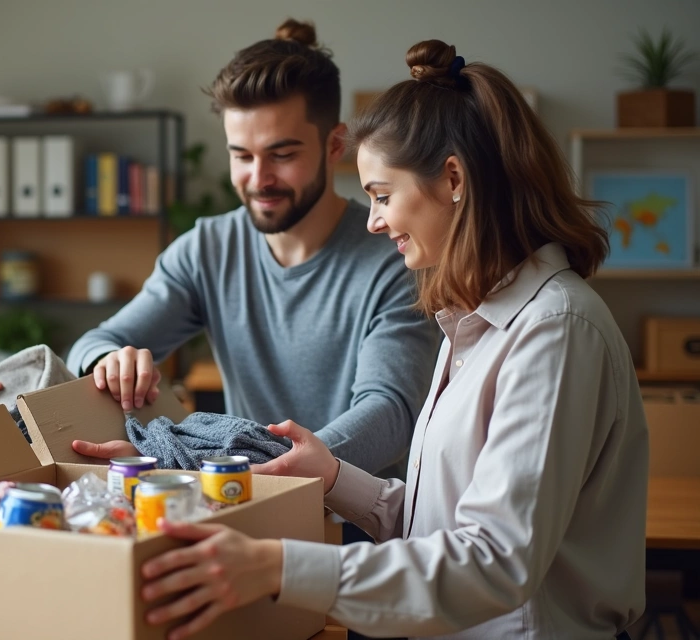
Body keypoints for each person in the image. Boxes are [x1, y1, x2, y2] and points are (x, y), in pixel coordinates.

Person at [134, 41, 649, 640]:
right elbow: (438, 524)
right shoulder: (472, 325)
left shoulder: (554, 333)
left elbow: (494, 561)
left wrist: (276, 566)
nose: (374, 220)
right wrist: (332, 478)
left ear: (452, 178)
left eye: (382, 195)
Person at [67, 19, 441, 478]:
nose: (258, 179)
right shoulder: (206, 250)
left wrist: (256, 465)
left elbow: (390, 415)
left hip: (357, 522)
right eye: (242, 156)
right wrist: (110, 362)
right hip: (242, 499)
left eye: (282, 155)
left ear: (334, 145)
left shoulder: (395, 258)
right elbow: (91, 345)